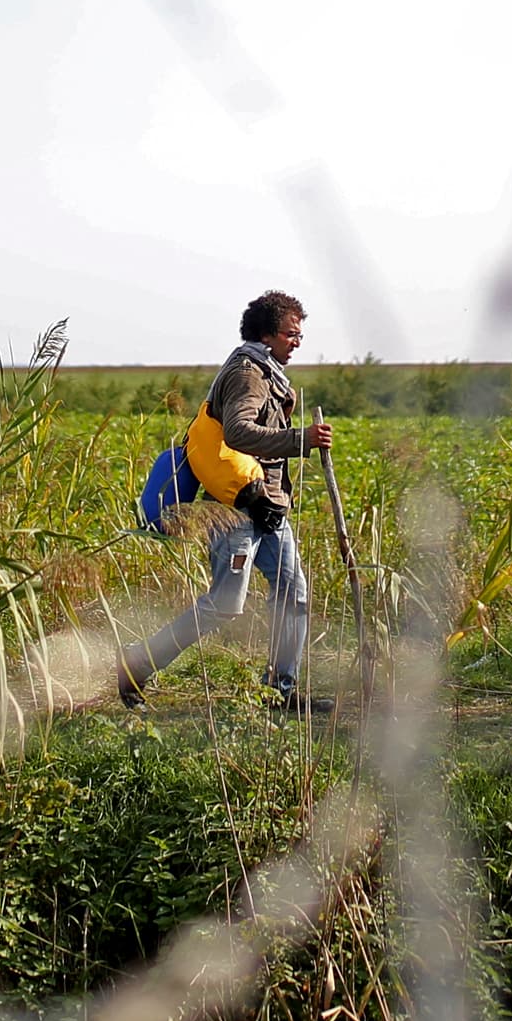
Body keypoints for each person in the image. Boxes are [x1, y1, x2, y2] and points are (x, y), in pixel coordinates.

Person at [118, 289, 338, 717]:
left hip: (268, 507)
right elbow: (237, 433)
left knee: (294, 593)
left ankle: (280, 691)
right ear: (267, 334)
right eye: (292, 334)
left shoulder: (265, 369)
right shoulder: (247, 374)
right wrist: (301, 440)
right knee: (225, 604)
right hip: (237, 511)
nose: (298, 341)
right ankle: (137, 662)